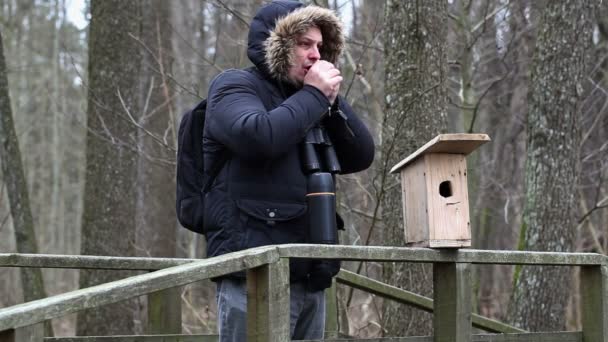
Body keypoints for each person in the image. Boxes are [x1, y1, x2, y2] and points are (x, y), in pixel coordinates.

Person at [203, 1, 374, 340]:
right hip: (254, 275)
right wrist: (314, 95)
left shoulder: (313, 100)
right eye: (304, 44)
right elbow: (258, 136)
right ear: (278, 45)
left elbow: (361, 154)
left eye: (320, 47)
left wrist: (331, 100)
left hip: (311, 272)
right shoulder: (233, 86)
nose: (316, 55)